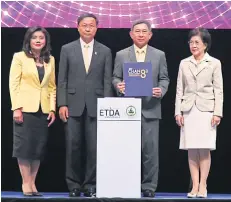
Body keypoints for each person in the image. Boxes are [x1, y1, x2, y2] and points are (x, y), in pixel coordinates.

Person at [112, 19, 169, 198]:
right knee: (128, 150)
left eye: (145, 31)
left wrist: (162, 90)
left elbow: (164, 78)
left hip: (151, 108)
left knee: (150, 152)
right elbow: (115, 77)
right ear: (131, 34)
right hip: (128, 109)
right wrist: (118, 85)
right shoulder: (121, 55)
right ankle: (128, 184)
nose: (141, 34)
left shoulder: (159, 55)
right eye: (138, 31)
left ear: (150, 35)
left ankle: (149, 187)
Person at [57, 13, 113, 197]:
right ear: (78, 27)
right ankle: (73, 185)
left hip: (97, 106)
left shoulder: (105, 50)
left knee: (94, 147)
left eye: (91, 25)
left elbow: (106, 81)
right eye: (84, 25)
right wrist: (62, 104)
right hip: (72, 105)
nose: (88, 28)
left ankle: (91, 185)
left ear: (97, 28)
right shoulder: (67, 49)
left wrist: (106, 105)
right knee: (72, 146)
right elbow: (62, 79)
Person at [175, 28, 223, 198]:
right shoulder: (184, 63)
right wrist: (177, 112)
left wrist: (217, 112)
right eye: (191, 42)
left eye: (197, 42)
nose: (193, 45)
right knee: (191, 148)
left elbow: (219, 90)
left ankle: (203, 185)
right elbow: (180, 89)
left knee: (204, 148)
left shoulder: (214, 63)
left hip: (206, 110)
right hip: (188, 110)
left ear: (205, 44)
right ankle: (194, 186)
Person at [9, 26, 56, 196]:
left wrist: (52, 108)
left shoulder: (50, 59)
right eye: (34, 37)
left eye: (41, 38)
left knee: (38, 149)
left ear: (45, 41)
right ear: (28, 40)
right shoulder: (19, 57)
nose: (38, 40)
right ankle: (25, 183)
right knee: (24, 148)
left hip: (43, 110)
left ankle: (33, 184)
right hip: (24, 109)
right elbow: (13, 85)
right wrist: (17, 108)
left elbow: (52, 86)